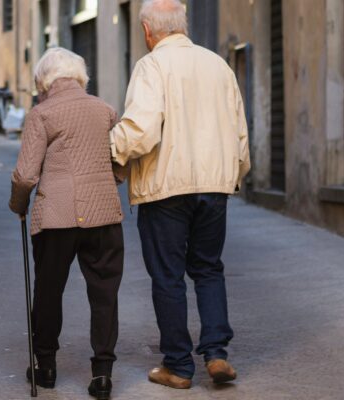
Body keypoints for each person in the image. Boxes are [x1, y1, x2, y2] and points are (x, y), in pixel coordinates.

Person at [110, 0, 251, 390]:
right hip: (214, 186)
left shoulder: (151, 65)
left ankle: (178, 366)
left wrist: (110, 152)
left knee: (168, 276)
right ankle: (217, 354)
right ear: (183, 26)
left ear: (147, 30)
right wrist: (232, 175)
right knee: (208, 268)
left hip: (165, 188)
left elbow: (140, 130)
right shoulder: (217, 65)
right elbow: (240, 131)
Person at [9, 47, 125, 400]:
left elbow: (26, 175)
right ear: (80, 77)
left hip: (55, 218)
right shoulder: (106, 111)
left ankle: (46, 368)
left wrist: (18, 204)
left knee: (48, 291)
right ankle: (102, 375)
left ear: (44, 81)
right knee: (104, 294)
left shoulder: (42, 114)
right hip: (103, 216)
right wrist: (105, 182)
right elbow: (121, 161)